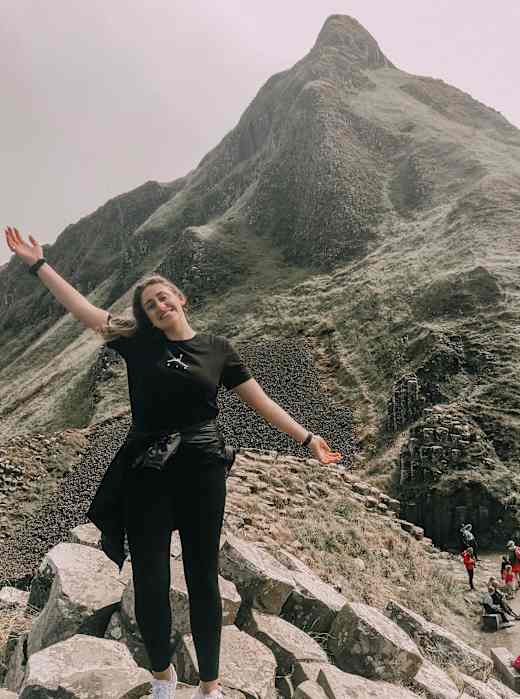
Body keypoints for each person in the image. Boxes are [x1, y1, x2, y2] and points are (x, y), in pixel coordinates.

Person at [4, 227, 343, 699]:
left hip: (203, 470)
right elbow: (83, 310)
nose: (160, 307)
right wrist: (39, 264)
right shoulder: (138, 343)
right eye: (150, 306)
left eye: (164, 299)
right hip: (148, 471)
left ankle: (209, 686)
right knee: (150, 579)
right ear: (146, 316)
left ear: (180, 298)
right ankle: (163, 678)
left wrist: (307, 438)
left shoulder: (218, 349)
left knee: (203, 577)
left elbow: (259, 400)